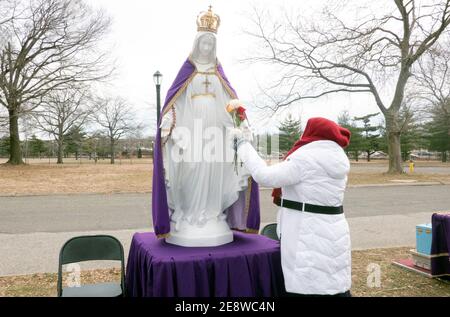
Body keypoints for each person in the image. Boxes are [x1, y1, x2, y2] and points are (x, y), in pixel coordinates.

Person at [151, 6, 260, 247]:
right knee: (190, 169)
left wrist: (240, 123)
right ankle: (188, 213)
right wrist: (170, 121)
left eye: (212, 45)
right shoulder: (187, 72)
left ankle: (211, 213)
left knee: (213, 170)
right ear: (197, 43)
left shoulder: (219, 74)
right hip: (191, 130)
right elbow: (174, 103)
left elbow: (229, 104)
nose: (208, 48)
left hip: (215, 131)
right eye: (204, 43)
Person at [230, 117, 352, 296]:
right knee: (331, 277)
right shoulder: (337, 158)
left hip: (307, 231)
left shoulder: (306, 158)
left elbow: (265, 176)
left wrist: (243, 145)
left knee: (308, 283)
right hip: (334, 228)